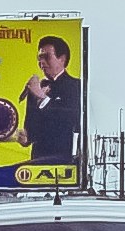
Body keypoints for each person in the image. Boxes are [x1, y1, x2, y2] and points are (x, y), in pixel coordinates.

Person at [22, 34, 84, 169]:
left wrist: (42, 97)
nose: (42, 63)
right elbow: (30, 128)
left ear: (62, 59)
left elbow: (70, 118)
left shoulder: (75, 86)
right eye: (40, 58)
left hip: (64, 160)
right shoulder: (38, 87)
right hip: (38, 160)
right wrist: (25, 137)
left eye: (46, 57)